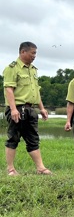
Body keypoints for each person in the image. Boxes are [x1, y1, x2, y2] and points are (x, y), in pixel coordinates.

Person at [3, 41, 52, 176]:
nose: (34, 56)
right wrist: (13, 109)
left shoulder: (33, 70)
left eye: (35, 53)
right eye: (32, 53)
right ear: (23, 52)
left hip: (31, 109)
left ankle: (41, 168)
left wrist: (41, 108)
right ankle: (11, 169)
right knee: (14, 138)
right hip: (17, 108)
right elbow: (9, 89)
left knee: (33, 138)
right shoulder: (12, 68)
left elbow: (36, 91)